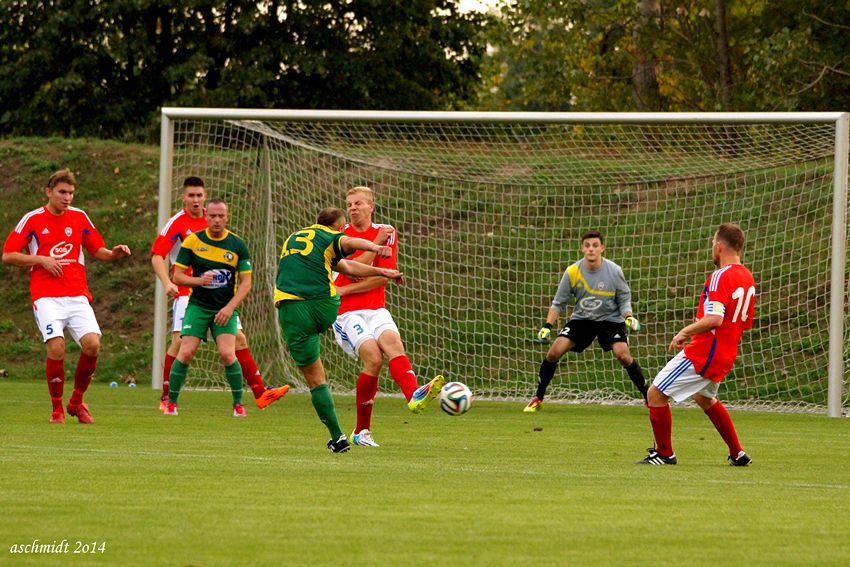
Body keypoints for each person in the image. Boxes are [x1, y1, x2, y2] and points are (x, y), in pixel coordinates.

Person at [2, 168, 132, 424]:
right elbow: (7, 255)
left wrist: (114, 253)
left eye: (71, 193)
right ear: (49, 192)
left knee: (93, 345)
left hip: (76, 294)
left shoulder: (80, 217)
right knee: (57, 347)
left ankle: (76, 401)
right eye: (62, 192)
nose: (67, 197)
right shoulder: (32, 219)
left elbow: (99, 250)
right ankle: (56, 409)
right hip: (46, 296)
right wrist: (40, 259)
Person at [151, 176, 287, 412]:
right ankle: (166, 397)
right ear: (183, 197)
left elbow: (244, 277)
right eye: (191, 195)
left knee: (238, 340)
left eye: (199, 195)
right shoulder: (178, 223)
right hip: (188, 292)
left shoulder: (217, 221)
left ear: (205, 197)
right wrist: (166, 283)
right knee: (181, 344)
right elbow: (157, 255)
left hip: (222, 296)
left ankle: (259, 393)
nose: (195, 200)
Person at [275, 207, 405, 453]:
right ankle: (340, 441)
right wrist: (379, 260)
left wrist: (376, 255)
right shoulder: (330, 236)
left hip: (295, 310)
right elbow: (347, 261)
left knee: (315, 379)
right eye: (342, 226)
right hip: (327, 305)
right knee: (365, 347)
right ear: (336, 226)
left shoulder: (296, 238)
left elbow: (345, 250)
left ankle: (337, 434)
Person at [332, 186, 445, 447]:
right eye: (349, 204)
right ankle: (361, 430)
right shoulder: (340, 236)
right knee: (373, 357)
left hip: (375, 307)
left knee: (394, 344)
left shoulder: (388, 231)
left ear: (371, 206)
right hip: (345, 312)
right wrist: (376, 245)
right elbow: (355, 269)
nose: (352, 208)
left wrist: (351, 285)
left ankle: (413, 395)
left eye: (358, 203)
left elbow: (381, 275)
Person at [637, 223, 755, 466]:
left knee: (655, 394)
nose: (712, 248)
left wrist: (685, 332)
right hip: (726, 353)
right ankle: (737, 452)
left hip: (704, 353)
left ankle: (664, 454)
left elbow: (715, 319)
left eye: (713, 244)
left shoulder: (720, 276)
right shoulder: (747, 277)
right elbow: (740, 323)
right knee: (704, 398)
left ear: (720, 246)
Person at [525, 229, 647, 412]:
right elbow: (558, 303)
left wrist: (629, 317)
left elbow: (623, 299)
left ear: (602, 248)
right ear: (582, 248)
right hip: (582, 320)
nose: (591, 249)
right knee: (553, 353)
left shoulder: (614, 271)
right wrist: (547, 326)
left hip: (610, 321)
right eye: (587, 245)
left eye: (595, 245)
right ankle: (538, 398)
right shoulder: (573, 272)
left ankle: (648, 396)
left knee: (623, 355)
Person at [163, 198, 254, 417]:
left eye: (221, 216)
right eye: (212, 216)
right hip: (198, 306)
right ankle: (171, 403)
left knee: (227, 353)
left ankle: (238, 404)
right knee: (186, 351)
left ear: (227, 217)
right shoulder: (192, 242)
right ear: (206, 217)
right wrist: (199, 281)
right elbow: (177, 276)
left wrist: (230, 308)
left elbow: (246, 283)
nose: (216, 220)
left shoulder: (237, 244)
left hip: (224, 308)